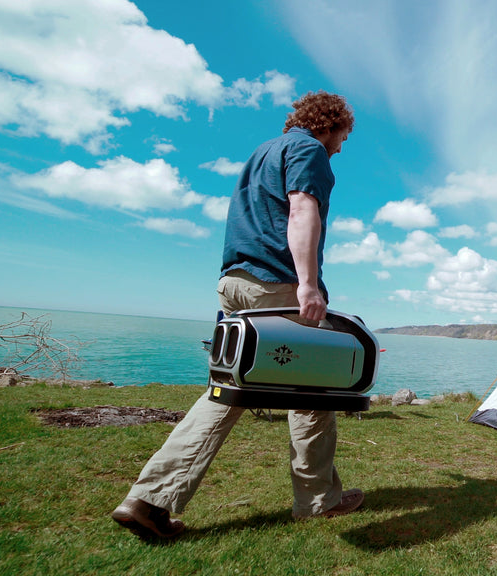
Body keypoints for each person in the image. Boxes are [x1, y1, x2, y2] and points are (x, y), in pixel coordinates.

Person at [111, 91, 362, 540]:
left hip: (236, 283)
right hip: (276, 283)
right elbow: (303, 209)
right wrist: (307, 284)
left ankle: (148, 499)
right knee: (316, 392)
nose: (342, 146)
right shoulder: (309, 149)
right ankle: (318, 502)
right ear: (330, 124)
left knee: (227, 392)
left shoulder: (263, 152)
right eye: (343, 135)